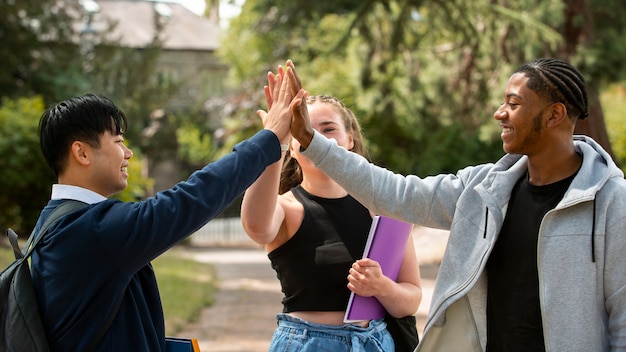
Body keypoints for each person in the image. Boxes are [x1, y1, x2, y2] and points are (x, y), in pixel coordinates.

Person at [286, 58, 626, 351]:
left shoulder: (612, 202)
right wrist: (312, 141)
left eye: (514, 103)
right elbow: (393, 193)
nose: (499, 113)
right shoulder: (483, 189)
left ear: (554, 115)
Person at [31, 66, 302, 351]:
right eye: (118, 142)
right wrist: (269, 139)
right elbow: (191, 198)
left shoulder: (55, 221)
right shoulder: (92, 230)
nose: (128, 153)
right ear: (82, 153)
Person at [240, 76, 422, 351]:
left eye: (328, 129)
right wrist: (272, 141)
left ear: (349, 139)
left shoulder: (382, 207)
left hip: (374, 343)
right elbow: (256, 228)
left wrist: (382, 287)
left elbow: (412, 297)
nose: (316, 139)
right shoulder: (287, 208)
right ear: (292, 145)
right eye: (305, 131)